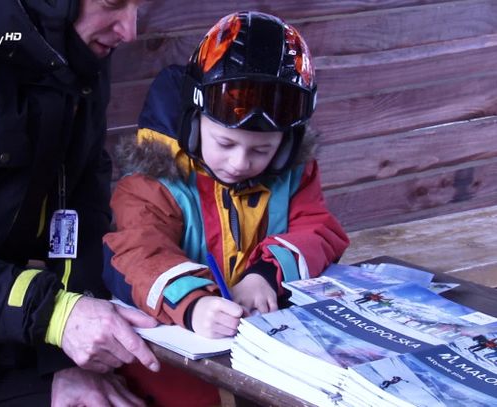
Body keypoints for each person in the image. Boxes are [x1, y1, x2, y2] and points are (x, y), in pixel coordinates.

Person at [102, 10, 349, 406]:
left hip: (264, 350)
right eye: (226, 143)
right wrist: (194, 304)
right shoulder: (153, 178)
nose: (239, 163)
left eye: (261, 150)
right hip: (171, 356)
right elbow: (138, 249)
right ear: (192, 121)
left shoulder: (293, 173)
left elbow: (317, 228)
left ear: (286, 143)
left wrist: (266, 276)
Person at [0, 1, 161, 406]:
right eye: (113, 3)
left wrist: (65, 358)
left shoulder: (76, 53)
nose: (130, 30)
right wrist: (52, 315)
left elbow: (82, 202)